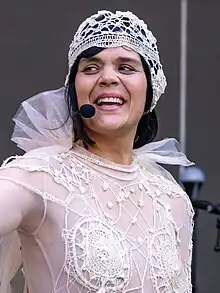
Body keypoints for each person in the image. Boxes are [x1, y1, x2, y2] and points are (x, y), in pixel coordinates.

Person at [0, 10, 194, 293]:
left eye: (126, 67)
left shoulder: (172, 199)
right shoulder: (37, 176)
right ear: (74, 89)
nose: (108, 78)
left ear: (150, 88)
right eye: (91, 68)